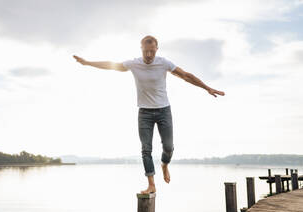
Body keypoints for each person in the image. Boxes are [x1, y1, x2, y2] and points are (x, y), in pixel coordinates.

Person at [73, 35, 225, 194]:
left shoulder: (164, 63)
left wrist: (207, 88)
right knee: (146, 149)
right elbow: (112, 65)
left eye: (152, 51)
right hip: (144, 112)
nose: (149, 55)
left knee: (168, 147)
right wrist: (87, 62)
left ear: (156, 49)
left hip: (164, 110)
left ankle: (165, 165)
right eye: (146, 51)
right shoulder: (134, 63)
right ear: (141, 49)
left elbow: (186, 76)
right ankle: (151, 184)